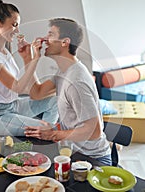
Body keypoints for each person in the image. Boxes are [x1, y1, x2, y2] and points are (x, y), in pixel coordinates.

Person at [24, 18, 112, 166]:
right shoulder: (64, 71)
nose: (45, 39)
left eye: (51, 35)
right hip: (72, 151)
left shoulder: (76, 81)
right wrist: (30, 60)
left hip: (92, 159)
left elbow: (94, 130)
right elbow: (36, 93)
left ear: (65, 42)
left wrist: (53, 134)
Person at [0, 0, 58, 136]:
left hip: (14, 106)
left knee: (55, 102)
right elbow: (17, 87)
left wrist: (27, 59)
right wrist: (34, 59)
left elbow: (25, 88)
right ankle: (45, 134)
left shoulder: (5, 52)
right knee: (46, 129)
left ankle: (44, 134)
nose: (18, 30)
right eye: (14, 24)